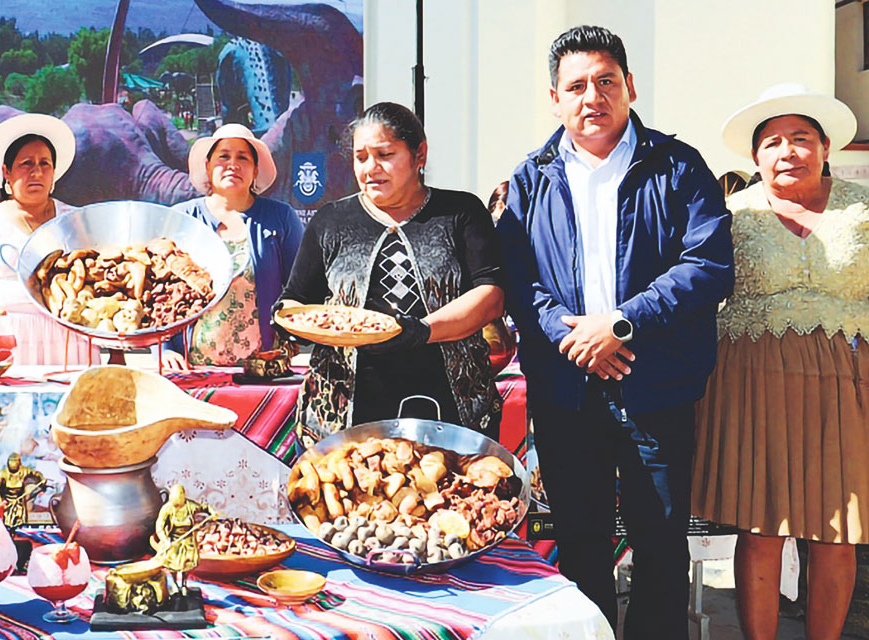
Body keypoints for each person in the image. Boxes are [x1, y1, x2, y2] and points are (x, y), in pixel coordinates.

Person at [495, 26, 733, 640]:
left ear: (629, 86)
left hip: (657, 388)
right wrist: (571, 335)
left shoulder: (678, 168)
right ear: (554, 99)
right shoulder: (530, 179)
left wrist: (620, 324)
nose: (591, 97)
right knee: (580, 543)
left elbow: (708, 266)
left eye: (605, 82)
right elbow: (516, 279)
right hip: (567, 389)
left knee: (659, 543)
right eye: (575, 87)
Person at [693, 83, 864, 640]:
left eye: (801, 138)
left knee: (836, 531)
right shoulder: (729, 216)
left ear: (824, 149)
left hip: (847, 384)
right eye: (772, 142)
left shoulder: (862, 209)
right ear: (754, 156)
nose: (787, 150)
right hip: (753, 383)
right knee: (762, 528)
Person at [277, 102, 504, 443]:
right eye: (361, 157)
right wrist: (290, 321)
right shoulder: (331, 221)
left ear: (419, 154)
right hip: (347, 411)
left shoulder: (460, 212)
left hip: (450, 404)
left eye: (385, 154)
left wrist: (421, 331)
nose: (371, 168)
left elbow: (491, 296)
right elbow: (295, 300)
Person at [0, 113, 98, 365]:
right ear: (6, 172)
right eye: (26, 164)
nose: (36, 172)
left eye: (45, 164)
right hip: (7, 348)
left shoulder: (78, 222)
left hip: (75, 344)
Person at [161, 124, 303, 368]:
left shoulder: (281, 217)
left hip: (263, 369)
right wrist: (163, 349)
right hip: (191, 368)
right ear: (207, 165)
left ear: (255, 169)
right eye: (223, 156)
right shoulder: (182, 219)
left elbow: (299, 289)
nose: (232, 164)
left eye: (243, 158)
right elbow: (160, 291)